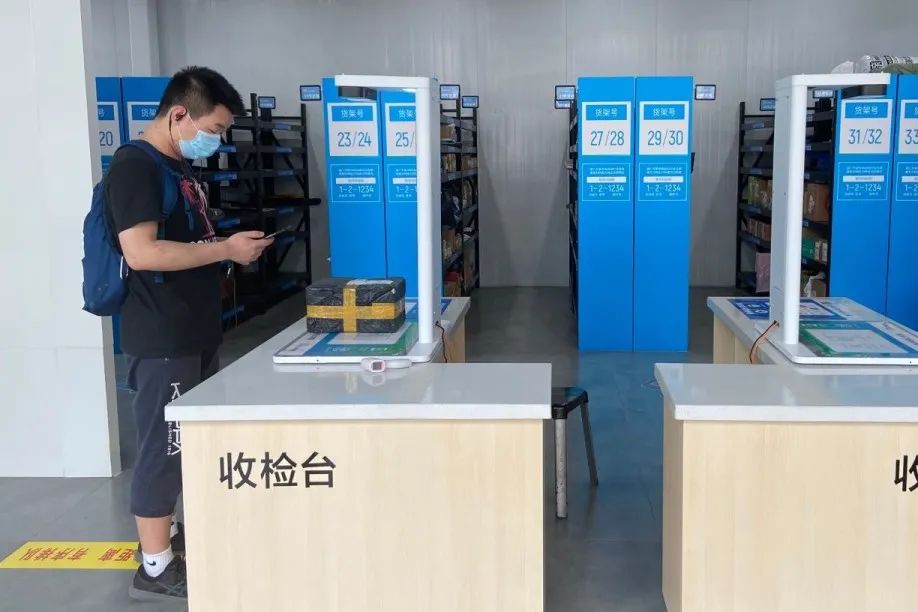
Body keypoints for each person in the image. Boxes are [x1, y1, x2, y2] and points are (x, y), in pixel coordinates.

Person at [105, 66, 273, 602]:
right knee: (164, 446)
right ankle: (154, 567)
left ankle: (174, 539)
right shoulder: (135, 168)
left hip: (192, 330)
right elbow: (141, 252)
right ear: (179, 114)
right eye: (214, 129)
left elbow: (185, 240)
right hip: (162, 337)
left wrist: (229, 248)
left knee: (187, 445)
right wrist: (224, 249)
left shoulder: (177, 167)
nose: (215, 141)